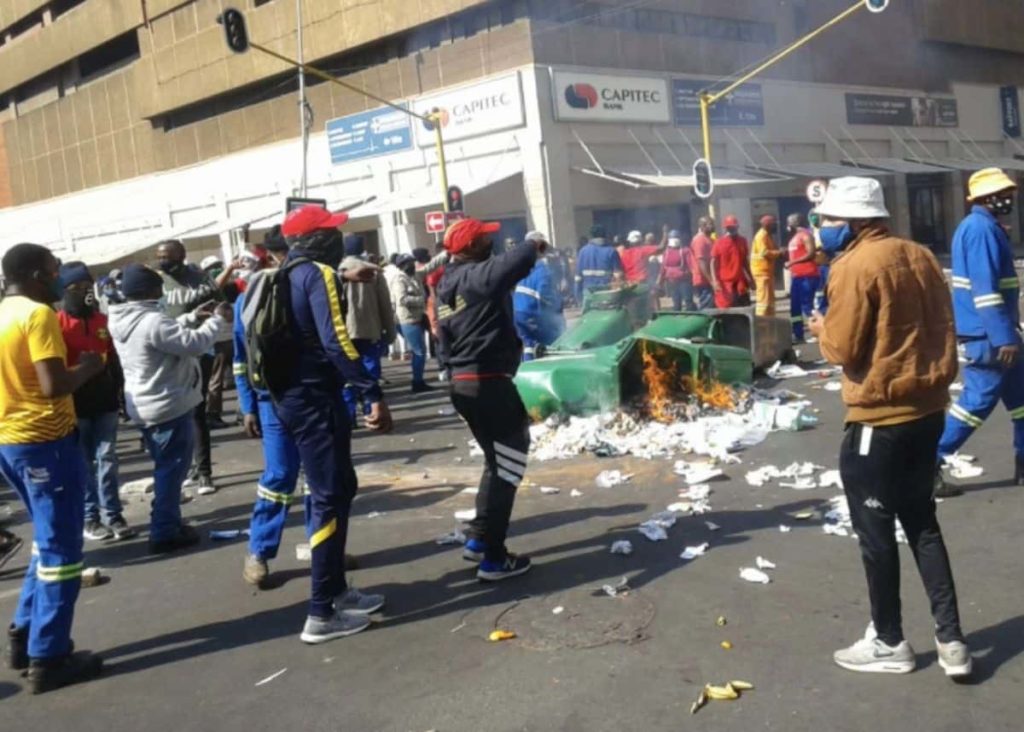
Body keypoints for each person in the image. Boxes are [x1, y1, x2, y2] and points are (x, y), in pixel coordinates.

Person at [807, 176, 971, 679]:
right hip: (928, 413)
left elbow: (842, 349)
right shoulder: (919, 255)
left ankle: (888, 640)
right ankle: (952, 642)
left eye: (830, 220)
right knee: (923, 525)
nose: (823, 229)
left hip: (879, 420)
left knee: (876, 537)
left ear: (856, 223)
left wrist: (819, 329)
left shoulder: (853, 265)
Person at [273, 205, 393, 644]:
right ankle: (321, 612)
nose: (338, 237)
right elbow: (336, 341)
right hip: (316, 400)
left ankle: (338, 591)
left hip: (293, 399)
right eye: (331, 231)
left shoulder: (281, 275)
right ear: (315, 240)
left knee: (342, 487)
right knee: (327, 497)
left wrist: (344, 276)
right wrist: (370, 391)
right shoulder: (317, 274)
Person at [0, 242, 106, 693]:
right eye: (55, 269)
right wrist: (88, 366)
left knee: (46, 542)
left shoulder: (3, 312)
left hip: (10, 442)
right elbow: (51, 385)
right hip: (45, 441)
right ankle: (49, 655)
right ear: (37, 274)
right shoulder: (36, 315)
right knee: (63, 552)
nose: (61, 277)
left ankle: (24, 634)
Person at [437, 218, 541, 581]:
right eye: (485, 238)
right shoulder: (473, 277)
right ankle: (494, 559)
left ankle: (481, 538)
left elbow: (444, 339)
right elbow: (513, 263)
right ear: (470, 248)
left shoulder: (448, 285)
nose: (491, 241)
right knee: (509, 466)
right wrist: (532, 244)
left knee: (496, 463)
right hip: (487, 384)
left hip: (465, 384)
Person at [109, 264, 231, 554]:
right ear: (151, 291)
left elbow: (164, 334)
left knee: (166, 467)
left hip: (146, 402)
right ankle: (163, 530)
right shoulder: (153, 322)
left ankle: (169, 523)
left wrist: (191, 317)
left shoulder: (124, 319)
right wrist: (215, 321)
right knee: (170, 472)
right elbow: (193, 344)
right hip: (167, 403)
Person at [936, 168, 1024, 498]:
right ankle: (928, 462)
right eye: (1004, 193)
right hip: (988, 336)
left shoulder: (985, 228)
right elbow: (985, 290)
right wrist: (1003, 337)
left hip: (997, 331)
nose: (1010, 199)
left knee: (1021, 401)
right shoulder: (980, 230)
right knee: (976, 402)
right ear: (987, 198)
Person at [233, 232, 309, 588]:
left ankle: (322, 547)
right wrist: (248, 405)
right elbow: (239, 358)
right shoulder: (248, 298)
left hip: (309, 398)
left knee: (316, 478)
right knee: (279, 476)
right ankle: (259, 552)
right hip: (271, 400)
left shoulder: (309, 286)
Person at [56, 262, 136, 542]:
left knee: (107, 460)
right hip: (74, 406)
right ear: (64, 291)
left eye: (88, 287)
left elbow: (115, 361)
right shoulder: (56, 324)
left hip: (106, 404)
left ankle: (113, 514)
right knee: (84, 464)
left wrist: (122, 395)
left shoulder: (103, 320)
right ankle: (90, 518)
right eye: (76, 288)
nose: (84, 293)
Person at [156, 240, 224, 495]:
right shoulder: (158, 282)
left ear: (182, 256)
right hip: (169, 351)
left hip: (199, 349)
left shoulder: (200, 278)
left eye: (168, 256)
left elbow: (220, 303)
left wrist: (212, 320)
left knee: (196, 410)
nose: (163, 260)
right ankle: (189, 467)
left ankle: (204, 471)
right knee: (180, 411)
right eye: (159, 256)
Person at [339, 234, 397, 410]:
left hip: (345, 331)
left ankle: (349, 414)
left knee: (347, 374)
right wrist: (390, 331)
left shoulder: (337, 271)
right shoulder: (373, 270)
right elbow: (384, 304)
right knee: (370, 370)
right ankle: (371, 408)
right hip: (371, 329)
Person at [512, 231, 565, 361]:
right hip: (533, 314)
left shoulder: (518, 264)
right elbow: (547, 297)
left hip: (518, 311)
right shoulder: (542, 269)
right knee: (552, 340)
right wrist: (558, 308)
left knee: (527, 344)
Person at [390, 254, 431, 391]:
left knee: (420, 350)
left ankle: (418, 380)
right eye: (410, 264)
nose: (413, 265)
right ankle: (417, 382)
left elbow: (431, 266)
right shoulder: (399, 280)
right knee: (419, 352)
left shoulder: (415, 276)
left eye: (413, 262)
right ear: (403, 266)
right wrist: (421, 300)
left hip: (417, 317)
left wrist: (446, 254)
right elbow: (402, 299)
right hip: (407, 320)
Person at [785, 213, 820, 342]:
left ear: (794, 223)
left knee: (807, 306)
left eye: (789, 222)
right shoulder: (794, 238)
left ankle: (820, 331)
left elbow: (811, 253)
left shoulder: (806, 235)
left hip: (808, 276)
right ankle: (798, 334)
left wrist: (792, 262)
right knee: (795, 308)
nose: (787, 226)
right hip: (797, 277)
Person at [711, 215, 753, 308]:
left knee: (744, 308)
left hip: (740, 283)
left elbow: (745, 262)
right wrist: (714, 281)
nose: (732, 229)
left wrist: (750, 278)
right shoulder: (719, 243)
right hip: (725, 284)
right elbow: (713, 262)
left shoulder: (742, 241)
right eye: (729, 227)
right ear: (726, 228)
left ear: (737, 227)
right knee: (727, 309)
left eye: (734, 227)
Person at [574, 224, 623, 303]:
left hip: (588, 293)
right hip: (606, 293)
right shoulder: (611, 251)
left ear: (591, 235)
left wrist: (578, 296)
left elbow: (578, 277)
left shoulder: (583, 251)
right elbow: (618, 275)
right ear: (605, 235)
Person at [750, 215, 783, 317]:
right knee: (763, 301)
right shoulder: (761, 236)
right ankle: (762, 322)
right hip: (761, 272)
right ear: (768, 225)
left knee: (769, 300)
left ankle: (770, 320)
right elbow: (764, 252)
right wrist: (779, 253)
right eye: (774, 224)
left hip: (767, 272)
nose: (776, 227)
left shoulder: (767, 235)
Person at [658, 230, 696, 311]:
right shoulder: (669, 252)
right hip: (677, 281)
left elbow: (691, 265)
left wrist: (660, 281)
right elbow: (663, 268)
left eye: (676, 237)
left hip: (679, 281)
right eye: (673, 238)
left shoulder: (683, 251)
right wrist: (660, 281)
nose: (674, 240)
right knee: (681, 301)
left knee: (683, 301)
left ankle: (685, 317)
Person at [690, 217, 716, 310]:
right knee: (707, 307)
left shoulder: (710, 239)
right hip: (703, 280)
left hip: (709, 279)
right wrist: (711, 281)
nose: (713, 226)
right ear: (703, 226)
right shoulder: (699, 240)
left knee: (713, 305)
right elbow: (701, 263)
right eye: (710, 224)